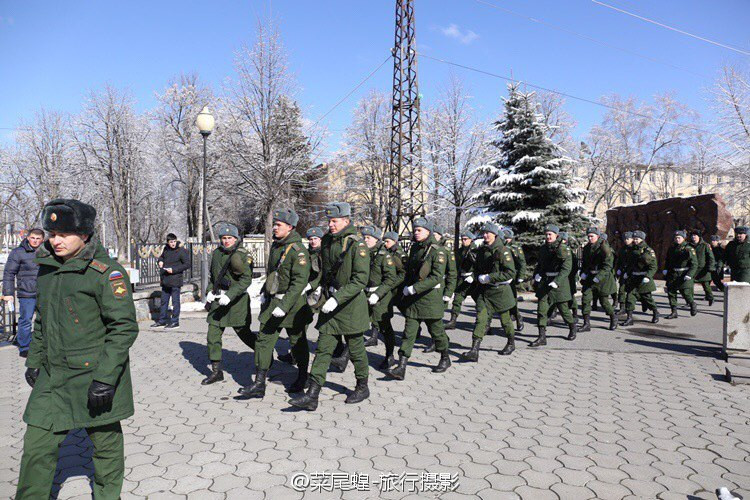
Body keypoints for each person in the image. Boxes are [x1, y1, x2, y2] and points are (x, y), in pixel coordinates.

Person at [17, 199, 138, 499]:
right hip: (53, 376)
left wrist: (106, 378)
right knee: (36, 446)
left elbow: (123, 327)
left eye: (63, 234)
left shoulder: (105, 273)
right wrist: (33, 361)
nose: (54, 240)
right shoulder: (47, 269)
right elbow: (42, 319)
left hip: (94, 376)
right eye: (51, 233)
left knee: (106, 449)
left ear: (84, 234)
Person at [289, 202, 370, 410]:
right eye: (329, 221)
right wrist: (315, 288)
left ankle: (362, 386)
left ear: (346, 221)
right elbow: (323, 271)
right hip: (330, 305)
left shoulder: (357, 244)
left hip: (350, 306)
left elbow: (360, 279)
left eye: (334, 221)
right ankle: (312, 395)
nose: (331, 225)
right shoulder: (326, 242)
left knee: (356, 349)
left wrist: (337, 298)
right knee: (324, 349)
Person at [239, 209, 311, 399]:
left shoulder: (298, 251)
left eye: (278, 225)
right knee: (263, 341)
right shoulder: (278, 246)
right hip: (273, 303)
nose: (275, 228)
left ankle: (303, 377)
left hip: (292, 306)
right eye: (275, 224)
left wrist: (284, 305)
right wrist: (264, 293)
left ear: (290, 227)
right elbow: (273, 274)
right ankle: (259, 384)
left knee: (298, 342)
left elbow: (299, 283)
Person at [387, 218, 452, 380]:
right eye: (415, 230)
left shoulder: (438, 251)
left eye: (419, 230)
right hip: (414, 300)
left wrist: (414, 288)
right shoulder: (415, 248)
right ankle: (401, 366)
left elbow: (437, 277)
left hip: (430, 299)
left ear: (428, 231)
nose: (416, 233)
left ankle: (445, 357)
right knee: (409, 333)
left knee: (436, 332)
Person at [201, 222, 255, 385]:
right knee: (213, 335)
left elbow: (246, 280)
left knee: (244, 334)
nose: (226, 241)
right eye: (223, 238)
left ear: (236, 239)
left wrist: (230, 295)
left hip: (236, 303)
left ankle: (264, 356)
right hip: (218, 302)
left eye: (229, 238)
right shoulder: (217, 253)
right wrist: (209, 292)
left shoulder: (242, 254)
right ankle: (216, 371)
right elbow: (213, 277)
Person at [462, 223, 516, 360]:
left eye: (488, 233)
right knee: (481, 319)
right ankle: (474, 350)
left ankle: (511, 342)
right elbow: (479, 270)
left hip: (500, 291)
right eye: (484, 233)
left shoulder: (502, 250)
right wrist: (473, 276)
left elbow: (510, 273)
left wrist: (489, 277)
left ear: (495, 234)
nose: (485, 235)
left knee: (505, 321)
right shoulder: (482, 250)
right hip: (484, 292)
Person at [530, 225, 577, 347]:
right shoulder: (543, 249)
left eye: (550, 234)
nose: (548, 236)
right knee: (541, 310)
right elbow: (540, 264)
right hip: (545, 282)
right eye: (546, 234)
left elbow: (566, 268)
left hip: (559, 285)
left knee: (564, 310)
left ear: (556, 235)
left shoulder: (564, 249)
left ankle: (572, 327)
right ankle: (541, 337)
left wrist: (557, 281)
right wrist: (537, 274)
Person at [2, 228, 44, 357]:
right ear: (27, 237)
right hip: (26, 293)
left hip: (45, 293)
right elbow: (9, 273)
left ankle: (43, 345)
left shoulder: (48, 252)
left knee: (45, 320)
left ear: (42, 240)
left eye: (38, 239)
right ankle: (24, 346)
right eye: (32, 238)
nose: (35, 241)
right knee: (26, 320)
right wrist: (8, 293)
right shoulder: (18, 253)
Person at [362, 226, 399, 360]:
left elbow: (390, 278)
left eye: (368, 238)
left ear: (377, 239)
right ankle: (346, 357)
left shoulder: (384, 256)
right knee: (358, 325)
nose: (365, 240)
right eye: (364, 237)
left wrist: (377, 294)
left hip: (381, 297)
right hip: (364, 294)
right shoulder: (364, 253)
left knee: (385, 328)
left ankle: (389, 355)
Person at [579, 227, 618, 332]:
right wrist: (583, 273)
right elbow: (585, 263)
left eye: (592, 236)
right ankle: (586, 324)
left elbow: (608, 265)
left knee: (604, 301)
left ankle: (613, 317)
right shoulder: (587, 248)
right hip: (590, 277)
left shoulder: (604, 247)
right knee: (585, 299)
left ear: (598, 236)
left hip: (603, 278)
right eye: (589, 236)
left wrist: (598, 277)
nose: (590, 238)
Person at [620, 231, 660, 326]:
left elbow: (653, 266)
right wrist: (627, 273)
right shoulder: (632, 249)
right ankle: (629, 318)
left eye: (637, 239)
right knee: (630, 298)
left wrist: (648, 276)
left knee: (647, 298)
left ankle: (655, 312)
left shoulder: (648, 250)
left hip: (643, 279)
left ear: (642, 239)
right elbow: (630, 264)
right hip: (633, 278)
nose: (635, 240)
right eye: (634, 239)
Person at [152, 233, 190, 328]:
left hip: (175, 280)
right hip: (165, 280)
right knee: (164, 301)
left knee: (175, 302)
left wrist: (174, 270)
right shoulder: (166, 249)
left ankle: (175, 321)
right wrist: (160, 261)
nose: (172, 244)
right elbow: (162, 257)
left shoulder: (181, 251)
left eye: (174, 241)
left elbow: (187, 264)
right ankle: (162, 320)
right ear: (168, 242)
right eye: (170, 242)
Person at [381, 231, 406, 367]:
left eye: (388, 241)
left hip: (396, 290)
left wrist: (391, 284)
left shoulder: (398, 255)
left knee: (405, 312)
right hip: (387, 290)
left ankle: (416, 328)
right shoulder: (385, 253)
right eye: (384, 241)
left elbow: (402, 273)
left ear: (395, 241)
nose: (385, 243)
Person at [446, 231, 478, 330]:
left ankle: (483, 323)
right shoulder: (460, 251)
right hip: (463, 279)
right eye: (462, 239)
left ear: (471, 239)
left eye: (465, 239)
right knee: (457, 300)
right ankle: (453, 321)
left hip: (474, 281)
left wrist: (473, 276)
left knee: (480, 303)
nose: (463, 241)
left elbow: (481, 267)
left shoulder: (476, 251)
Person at [663, 230, 698, 319]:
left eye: (679, 238)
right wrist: (666, 269)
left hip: (684, 273)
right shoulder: (672, 248)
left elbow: (694, 264)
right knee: (671, 293)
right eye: (676, 238)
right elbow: (668, 260)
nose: (677, 239)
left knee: (685, 293)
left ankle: (692, 304)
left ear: (683, 238)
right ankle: (674, 312)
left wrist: (689, 274)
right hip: (673, 273)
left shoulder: (688, 248)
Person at [504, 228, 527, 332]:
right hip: (501, 276)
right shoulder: (501, 247)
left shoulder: (515, 248)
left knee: (512, 300)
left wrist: (521, 276)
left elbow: (521, 263)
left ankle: (518, 317)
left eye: (507, 238)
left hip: (512, 277)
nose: (506, 240)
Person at [689, 230, 716, 306]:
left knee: (706, 286)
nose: (693, 237)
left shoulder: (705, 245)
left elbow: (711, 257)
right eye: (692, 235)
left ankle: (710, 298)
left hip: (703, 269)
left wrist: (710, 267)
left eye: (695, 235)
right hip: (692, 269)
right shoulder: (689, 245)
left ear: (699, 236)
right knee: (690, 286)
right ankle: (690, 302)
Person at [614, 232, 634, 315]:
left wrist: (629, 272)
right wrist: (618, 270)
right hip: (623, 271)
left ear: (632, 239)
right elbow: (619, 260)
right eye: (625, 239)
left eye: (628, 239)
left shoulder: (634, 249)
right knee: (621, 290)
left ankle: (630, 308)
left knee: (631, 292)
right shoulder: (622, 249)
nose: (626, 240)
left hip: (631, 273)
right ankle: (622, 307)